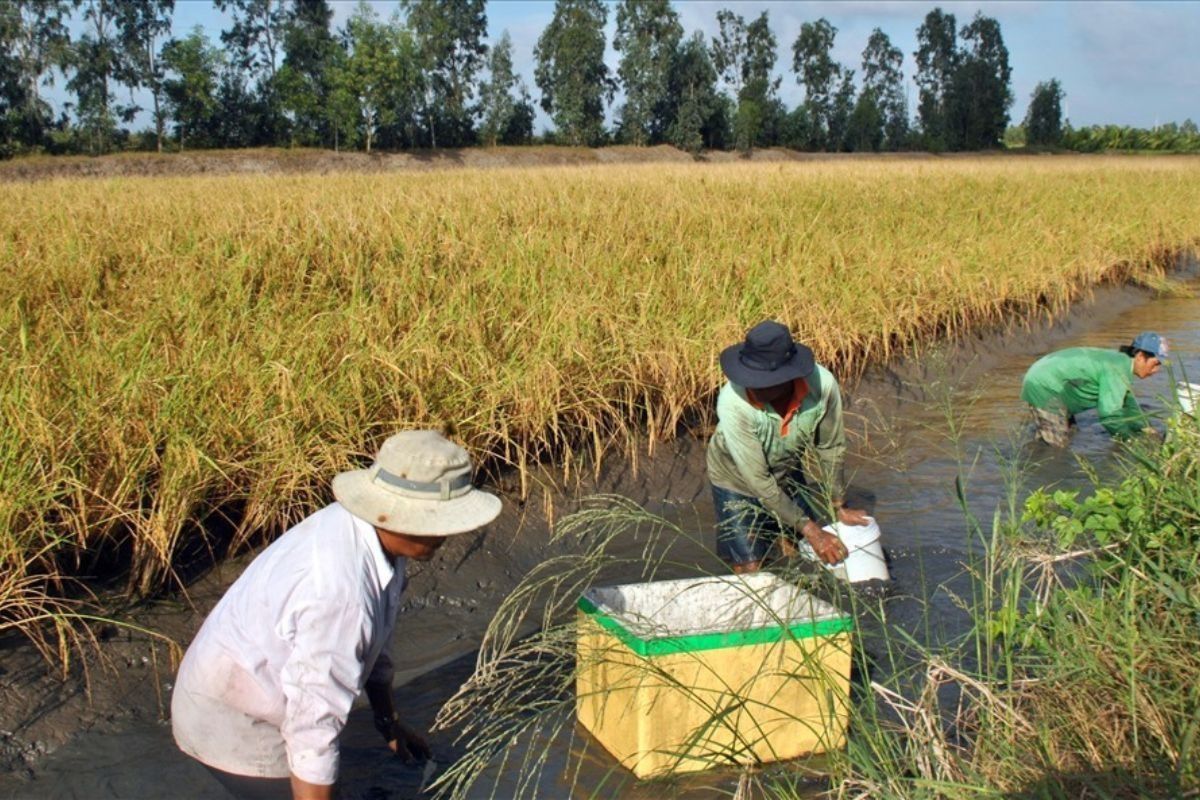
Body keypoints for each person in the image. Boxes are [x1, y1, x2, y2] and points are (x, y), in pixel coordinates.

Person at [171, 430, 501, 800]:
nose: (447, 535)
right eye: (439, 523)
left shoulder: (379, 535)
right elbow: (313, 728)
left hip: (252, 682)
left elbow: (379, 642)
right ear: (401, 516)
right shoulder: (341, 594)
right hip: (234, 722)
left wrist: (387, 721)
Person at [707, 320, 870, 574]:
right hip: (736, 479)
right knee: (751, 567)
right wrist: (814, 532)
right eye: (749, 377)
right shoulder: (733, 403)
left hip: (786, 467)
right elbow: (759, 481)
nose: (752, 385)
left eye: (762, 380)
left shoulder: (822, 385)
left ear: (788, 377)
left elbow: (831, 447)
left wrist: (839, 505)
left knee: (798, 549)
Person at [1021, 331, 1169, 447]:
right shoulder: (1117, 368)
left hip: (1049, 378)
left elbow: (1127, 403)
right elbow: (1109, 416)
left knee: (1069, 432)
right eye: (1155, 364)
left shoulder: (1122, 363)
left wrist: (1146, 429)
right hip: (1044, 384)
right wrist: (1130, 440)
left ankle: (1034, 451)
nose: (1155, 370)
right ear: (1140, 356)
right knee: (1057, 447)